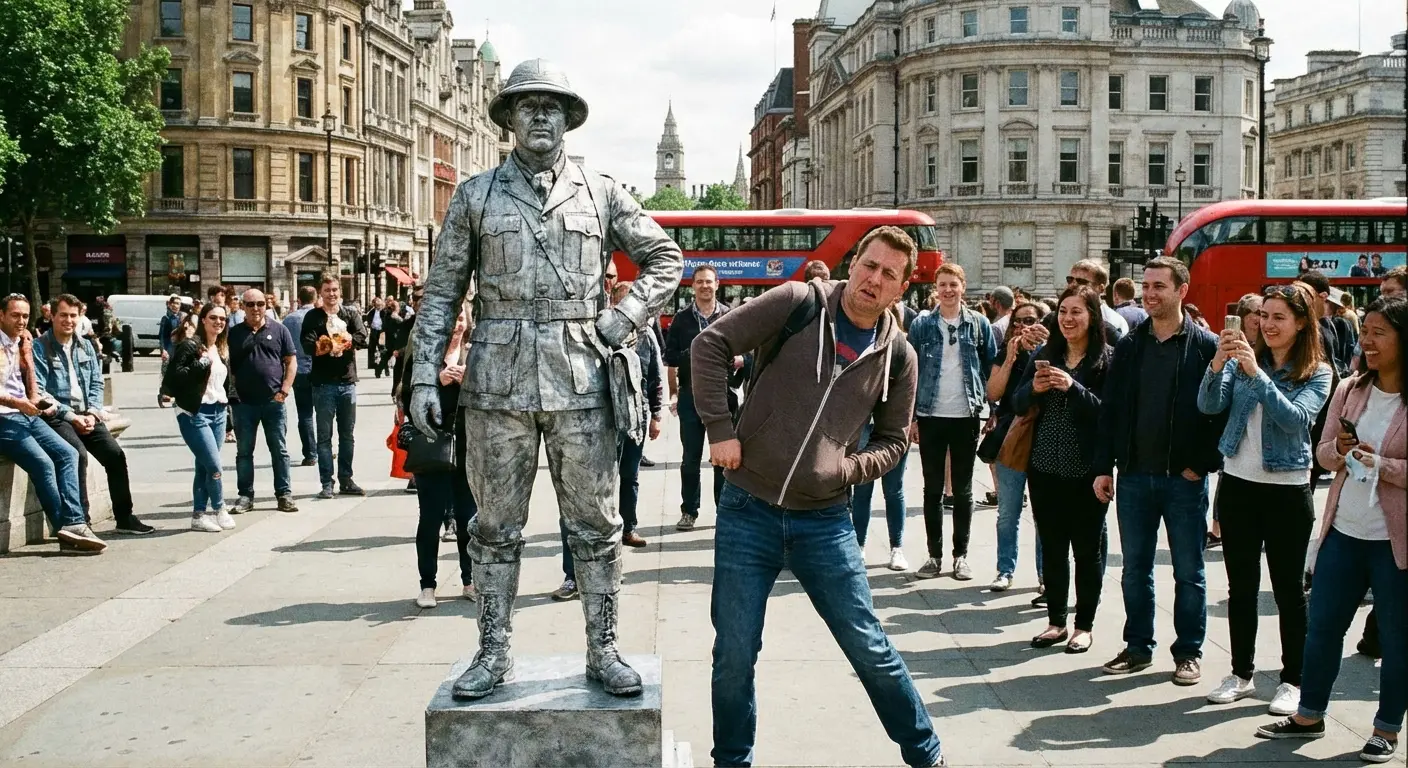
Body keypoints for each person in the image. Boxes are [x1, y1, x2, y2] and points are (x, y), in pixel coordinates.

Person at [407, 59, 682, 701]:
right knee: (494, 527)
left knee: (596, 523)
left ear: (567, 119)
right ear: (506, 119)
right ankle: (492, 652)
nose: (538, 115)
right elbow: (443, 290)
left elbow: (665, 258)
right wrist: (423, 376)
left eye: (550, 106)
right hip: (496, 380)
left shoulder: (602, 191)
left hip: (582, 378)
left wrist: (623, 320)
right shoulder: (475, 195)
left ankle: (603, 647)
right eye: (525, 105)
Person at [692, 226, 943, 768]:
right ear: (853, 263)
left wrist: (847, 469)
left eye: (889, 275)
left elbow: (895, 440)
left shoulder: (897, 355)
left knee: (870, 649)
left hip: (824, 521)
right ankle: (731, 761)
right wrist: (719, 428)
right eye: (869, 265)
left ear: (901, 288)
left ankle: (926, 755)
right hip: (747, 510)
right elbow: (709, 345)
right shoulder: (797, 303)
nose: (874, 279)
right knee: (733, 655)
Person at [1255, 296, 1406, 765]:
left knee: (1398, 640)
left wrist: (1381, 464)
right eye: (1366, 332)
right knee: (1321, 630)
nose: (1368, 341)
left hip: (1393, 542)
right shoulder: (1350, 387)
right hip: (1343, 531)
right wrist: (1340, 451)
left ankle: (1386, 729)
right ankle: (1309, 713)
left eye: (1379, 333)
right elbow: (1321, 454)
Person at [1197, 283, 1332, 715]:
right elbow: (1207, 406)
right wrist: (1218, 364)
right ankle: (1241, 674)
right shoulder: (1241, 360)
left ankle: (1293, 679)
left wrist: (1255, 373)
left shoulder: (1318, 371)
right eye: (1264, 316)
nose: (1267, 325)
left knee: (1288, 591)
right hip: (1238, 483)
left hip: (1287, 490)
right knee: (1241, 586)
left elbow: (1295, 422)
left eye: (1279, 318)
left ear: (1300, 324)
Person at [1094, 257, 1224, 686]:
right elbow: (1111, 411)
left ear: (1182, 291)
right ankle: (1137, 647)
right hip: (1133, 477)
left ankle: (1188, 652)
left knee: (1189, 571)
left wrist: (1201, 465)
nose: (1149, 294)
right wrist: (1104, 467)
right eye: (1146, 287)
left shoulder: (1205, 345)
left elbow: (1219, 416)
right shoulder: (1130, 346)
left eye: (1158, 287)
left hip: (1183, 481)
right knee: (1135, 569)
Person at [1013, 286, 1113, 654]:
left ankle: (1083, 624)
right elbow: (1016, 403)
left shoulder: (1106, 361)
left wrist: (1073, 387)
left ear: (1093, 317)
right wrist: (1034, 389)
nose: (1068, 319)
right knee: (1052, 548)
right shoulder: (1045, 354)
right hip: (1044, 468)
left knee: (1087, 551)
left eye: (1077, 312)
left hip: (1087, 472)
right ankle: (1056, 621)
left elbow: (1109, 415)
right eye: (1063, 312)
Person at [32, 295, 153, 535]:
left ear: (80, 317)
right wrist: (71, 416)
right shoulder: (40, 347)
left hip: (86, 414)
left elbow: (97, 383)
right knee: (77, 455)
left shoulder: (86, 345)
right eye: (63, 315)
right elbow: (40, 390)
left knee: (115, 456)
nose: (68, 320)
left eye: (73, 316)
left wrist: (93, 414)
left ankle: (125, 517)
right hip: (57, 416)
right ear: (52, 316)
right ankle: (81, 521)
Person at [909, 263, 997, 581]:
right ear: (936, 288)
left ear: (963, 287)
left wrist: (993, 409)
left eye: (953, 284)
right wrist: (911, 418)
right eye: (942, 284)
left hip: (966, 415)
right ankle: (934, 555)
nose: (948, 290)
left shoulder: (979, 324)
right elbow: (911, 371)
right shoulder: (922, 325)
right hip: (930, 415)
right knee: (932, 489)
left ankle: (961, 555)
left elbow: (991, 366)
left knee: (962, 490)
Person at [0, 294, 106, 553]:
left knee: (69, 453)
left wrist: (35, 401)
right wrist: (18, 403)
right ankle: (67, 535)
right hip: (4, 418)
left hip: (26, 413)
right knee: (43, 463)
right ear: (1, 315)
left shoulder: (23, 340)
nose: (21, 321)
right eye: (15, 315)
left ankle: (75, 523)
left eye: (25, 315)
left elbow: (31, 383)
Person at [403, 303, 479, 608]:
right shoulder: (424, 357)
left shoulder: (475, 354)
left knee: (468, 517)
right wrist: (437, 380)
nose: (457, 324)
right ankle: (427, 585)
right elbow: (407, 398)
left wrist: (469, 383)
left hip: (467, 446)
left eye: (461, 317)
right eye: (451, 318)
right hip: (432, 444)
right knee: (431, 517)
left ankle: (470, 580)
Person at [663, 264, 733, 531]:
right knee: (690, 460)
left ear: (717, 284)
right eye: (699, 282)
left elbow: (743, 351)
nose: (705, 286)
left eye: (709, 282)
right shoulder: (682, 319)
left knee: (722, 459)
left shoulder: (728, 315)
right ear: (692, 286)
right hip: (690, 397)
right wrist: (692, 356)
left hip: (722, 399)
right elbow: (670, 357)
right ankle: (689, 511)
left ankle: (724, 511)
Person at [986, 300, 1048, 595]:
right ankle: (1004, 569)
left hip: (1042, 438)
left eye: (1032, 320)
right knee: (1008, 511)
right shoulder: (1006, 351)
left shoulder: (1050, 353)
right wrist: (1011, 356)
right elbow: (993, 392)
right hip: (1010, 437)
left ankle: (1044, 574)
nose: (1025, 326)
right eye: (1019, 321)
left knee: (1043, 514)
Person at [851, 299, 918, 572]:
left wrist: (912, 421)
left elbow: (913, 389)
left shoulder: (903, 349)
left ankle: (896, 547)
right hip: (864, 425)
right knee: (862, 489)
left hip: (892, 426)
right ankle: (858, 546)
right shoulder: (863, 345)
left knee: (894, 490)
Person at [164, 303, 235, 533]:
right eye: (213, 318)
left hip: (218, 411)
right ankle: (220, 507)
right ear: (203, 320)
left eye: (222, 319)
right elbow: (175, 377)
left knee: (203, 465)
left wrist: (229, 418)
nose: (218, 322)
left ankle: (198, 516)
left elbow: (224, 385)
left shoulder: (222, 348)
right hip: (194, 412)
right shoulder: (190, 345)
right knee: (214, 465)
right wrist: (201, 363)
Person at [228, 289, 299, 514]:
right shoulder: (233, 333)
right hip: (243, 404)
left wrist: (284, 390)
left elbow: (291, 361)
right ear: (242, 306)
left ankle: (284, 494)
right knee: (244, 452)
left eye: (261, 304)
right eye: (251, 304)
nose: (256, 308)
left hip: (273, 402)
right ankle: (245, 496)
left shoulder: (279, 330)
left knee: (279, 450)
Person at [301, 277, 368, 499]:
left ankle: (346, 479)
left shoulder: (350, 314)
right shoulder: (313, 316)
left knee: (347, 435)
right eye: (327, 290)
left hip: (347, 382)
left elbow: (362, 337)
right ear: (320, 293)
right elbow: (308, 345)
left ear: (340, 292)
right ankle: (326, 482)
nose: (332, 294)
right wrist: (332, 343)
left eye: (335, 290)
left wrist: (346, 341)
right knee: (324, 436)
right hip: (323, 384)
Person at [1208, 293, 1264, 548]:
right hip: (1229, 426)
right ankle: (1217, 527)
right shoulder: (1230, 345)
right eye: (1256, 313)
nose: (1260, 319)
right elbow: (1210, 399)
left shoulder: (1269, 346)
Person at [281, 286, 318, 467]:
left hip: (298, 371)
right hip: (319, 370)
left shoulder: (289, 319)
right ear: (315, 297)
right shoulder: (320, 316)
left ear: (299, 299)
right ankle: (323, 448)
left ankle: (310, 453)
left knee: (305, 414)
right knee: (324, 414)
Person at [1067, 259, 1129, 339]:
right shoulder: (1060, 317)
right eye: (1070, 280)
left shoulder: (1114, 322)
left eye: (1081, 281)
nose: (1073, 285)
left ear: (1101, 288)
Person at [157, 295, 183, 408]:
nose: (176, 306)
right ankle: (162, 394)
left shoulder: (181, 318)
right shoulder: (166, 318)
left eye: (178, 304)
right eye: (174, 303)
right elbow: (162, 336)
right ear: (170, 304)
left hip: (179, 349)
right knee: (167, 374)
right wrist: (163, 350)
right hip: (169, 349)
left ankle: (177, 399)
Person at [365, 297, 385, 371]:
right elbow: (368, 318)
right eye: (377, 305)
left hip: (381, 332)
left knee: (382, 347)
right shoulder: (372, 312)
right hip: (374, 330)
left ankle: (383, 363)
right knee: (371, 348)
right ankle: (371, 364)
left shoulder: (384, 312)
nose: (378, 306)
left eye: (379, 305)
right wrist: (370, 325)